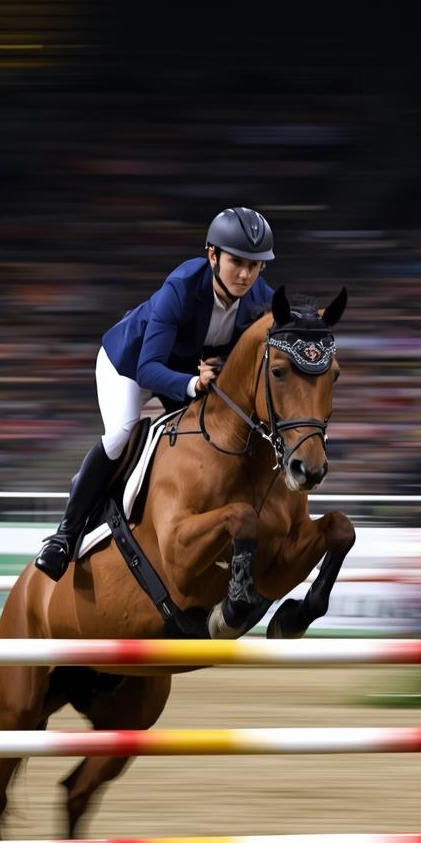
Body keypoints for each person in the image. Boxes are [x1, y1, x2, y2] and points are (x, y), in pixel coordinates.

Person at [34, 207, 277, 581]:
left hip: (186, 368)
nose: (246, 274)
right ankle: (64, 536)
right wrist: (194, 383)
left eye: (255, 265)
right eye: (237, 262)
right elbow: (149, 369)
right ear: (212, 255)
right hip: (130, 364)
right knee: (121, 432)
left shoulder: (261, 297)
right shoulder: (180, 287)